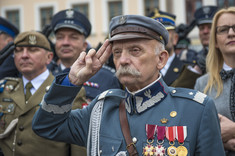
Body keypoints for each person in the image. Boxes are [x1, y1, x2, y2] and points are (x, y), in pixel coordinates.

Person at [32, 14, 225, 155]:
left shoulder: (196, 109)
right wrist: (71, 82)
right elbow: (46, 126)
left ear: (161, 59)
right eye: (117, 52)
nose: (123, 60)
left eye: (135, 50)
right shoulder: (100, 110)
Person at [0, 31, 86, 156]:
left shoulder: (66, 90)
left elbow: (78, 145)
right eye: (18, 50)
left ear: (49, 57)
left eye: (32, 50)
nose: (24, 55)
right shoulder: (4, 89)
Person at [48, 9, 121, 102]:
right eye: (60, 37)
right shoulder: (44, 74)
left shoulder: (107, 77)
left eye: (73, 37)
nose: (65, 43)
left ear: (84, 45)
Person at [194, 7, 235, 155]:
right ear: (215, 41)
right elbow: (196, 136)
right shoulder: (202, 84)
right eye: (223, 29)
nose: (231, 33)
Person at [171, 6, 218, 89]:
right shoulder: (193, 58)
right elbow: (177, 91)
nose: (205, 32)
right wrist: (197, 69)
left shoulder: (228, 56)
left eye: (210, 27)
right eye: (201, 28)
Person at [149, 9, 184, 86]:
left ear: (175, 38)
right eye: (155, 33)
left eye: (165, 32)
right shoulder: (143, 69)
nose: (160, 37)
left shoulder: (185, 69)